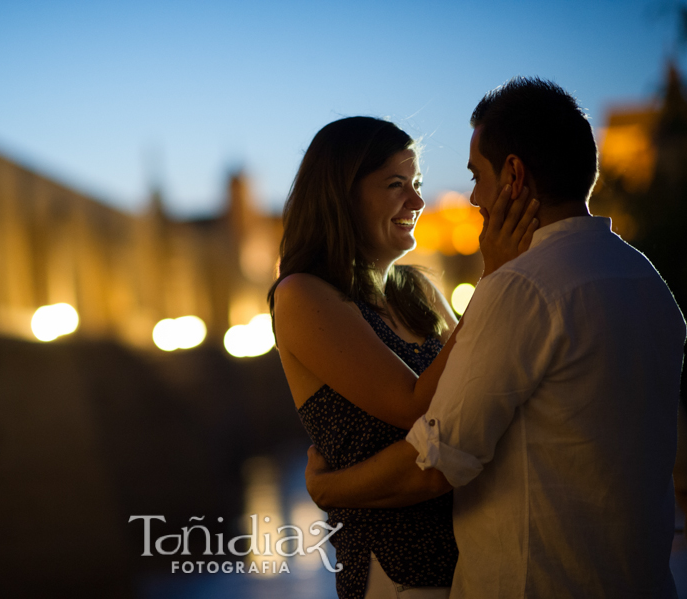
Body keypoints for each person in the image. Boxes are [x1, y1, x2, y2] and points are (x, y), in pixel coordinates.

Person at [305, 79, 687, 598]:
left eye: (477, 177)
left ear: (513, 175)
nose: (475, 198)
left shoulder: (521, 287)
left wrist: (329, 488)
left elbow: (438, 460)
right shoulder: (644, 279)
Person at [269, 116, 538, 599]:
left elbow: (478, 385)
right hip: (397, 572)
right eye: (396, 185)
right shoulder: (303, 295)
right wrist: (493, 279)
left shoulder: (418, 291)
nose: (416, 202)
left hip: (477, 561)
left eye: (415, 184)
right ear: (340, 194)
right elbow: (412, 402)